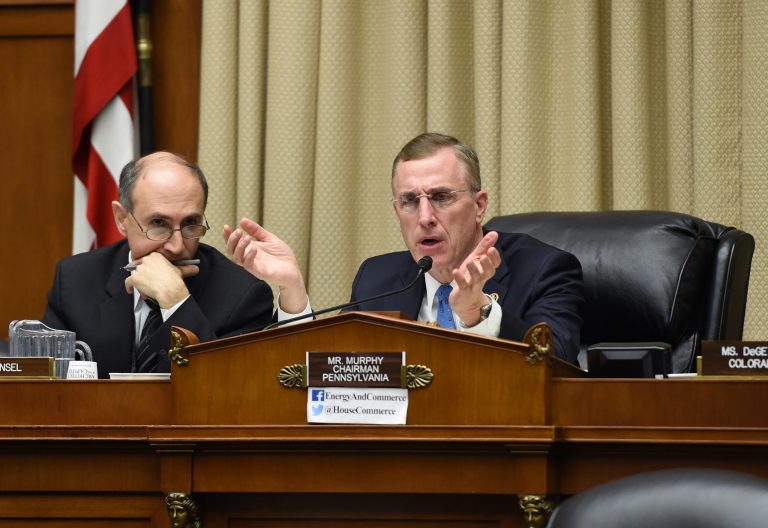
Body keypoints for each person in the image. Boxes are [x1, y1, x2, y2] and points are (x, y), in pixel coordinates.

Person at [224, 132, 584, 363]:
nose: (425, 216)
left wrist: (477, 313)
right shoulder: (378, 278)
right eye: (409, 201)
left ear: (479, 205)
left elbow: (561, 369)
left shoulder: (545, 269)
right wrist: (292, 292)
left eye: (441, 197)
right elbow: (332, 374)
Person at [43, 152, 275, 378]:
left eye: (190, 223)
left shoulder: (243, 296)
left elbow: (224, 395)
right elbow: (43, 385)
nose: (176, 245)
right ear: (122, 219)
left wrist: (176, 301)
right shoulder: (75, 279)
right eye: (158, 223)